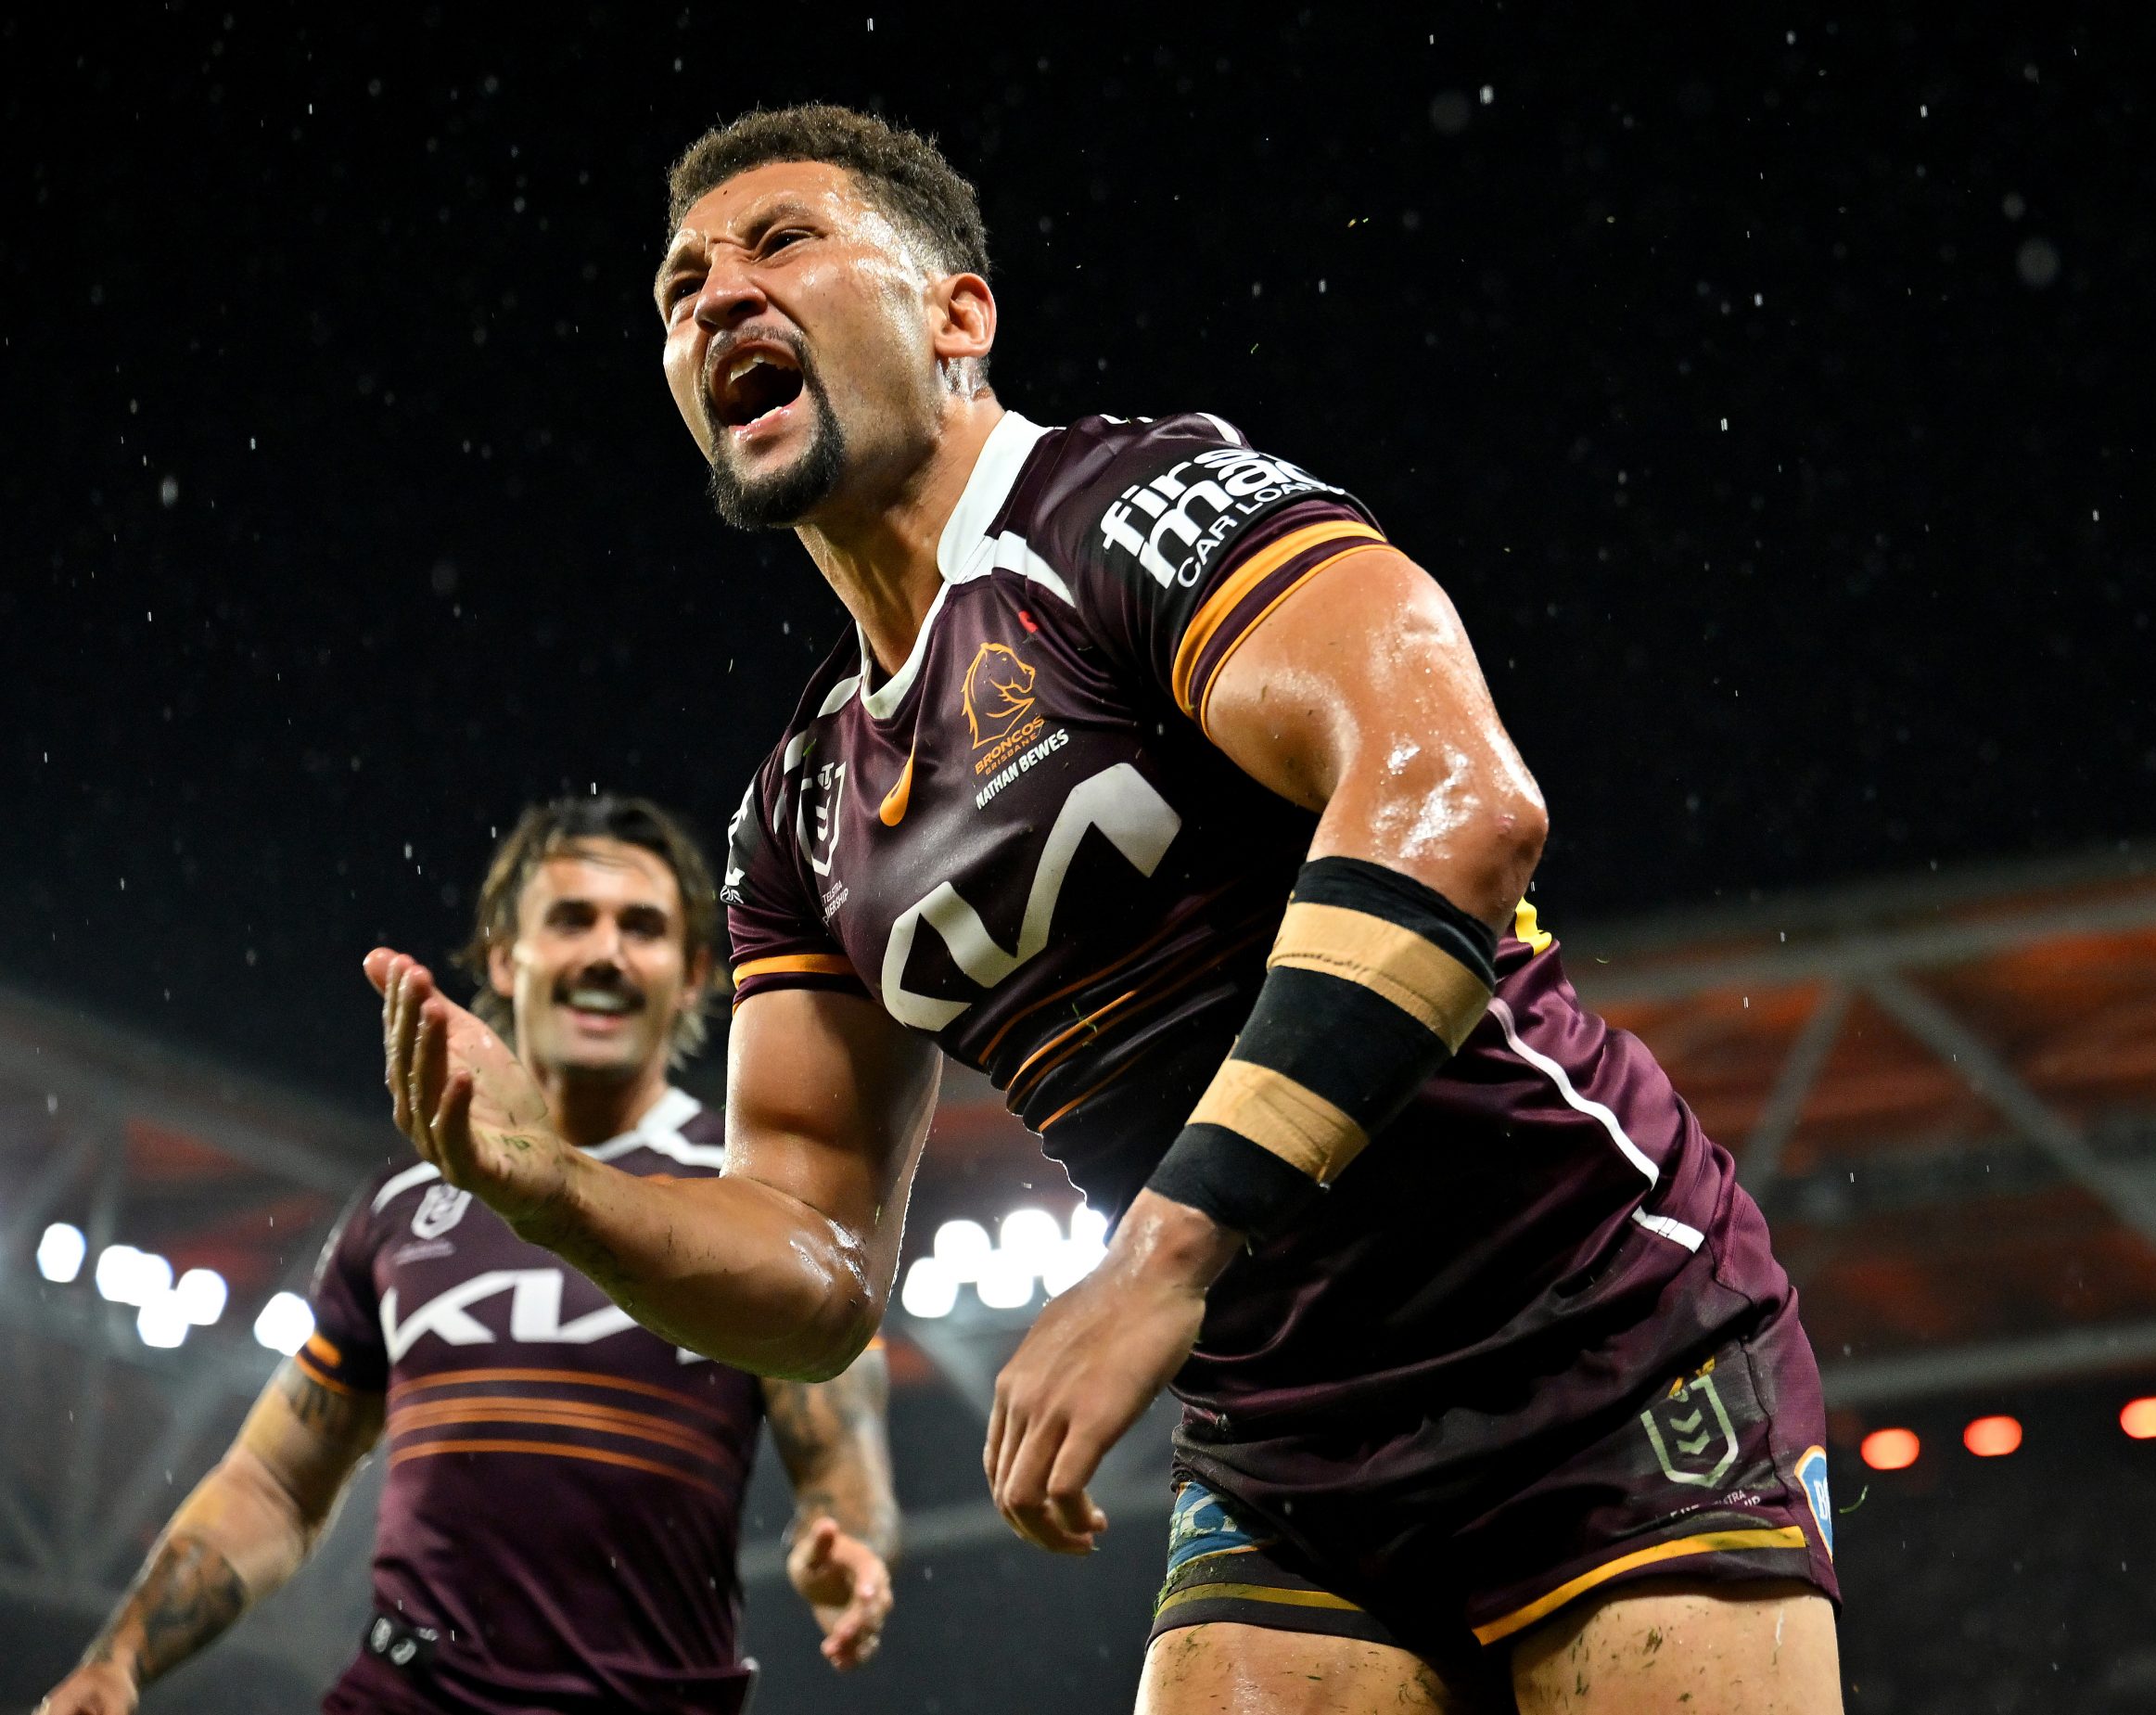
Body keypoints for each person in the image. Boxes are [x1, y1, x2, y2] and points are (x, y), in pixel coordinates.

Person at [364, 106, 1843, 1713]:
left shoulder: (1136, 509)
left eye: (782, 242)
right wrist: (561, 1191)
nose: (716, 296)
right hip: (1285, 1438)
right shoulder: (794, 811)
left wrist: (1162, 1257)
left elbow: (1458, 800)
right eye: (678, 285)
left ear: (959, 313)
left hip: (1595, 1335)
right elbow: (812, 1256)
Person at [45, 796, 898, 1715]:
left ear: (695, 973)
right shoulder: (402, 1209)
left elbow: (844, 1459)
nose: (605, 953)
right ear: (504, 956)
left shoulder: (752, 1209)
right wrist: (120, 1657)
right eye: (572, 919)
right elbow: (277, 1480)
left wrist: (845, 1538)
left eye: (642, 928)